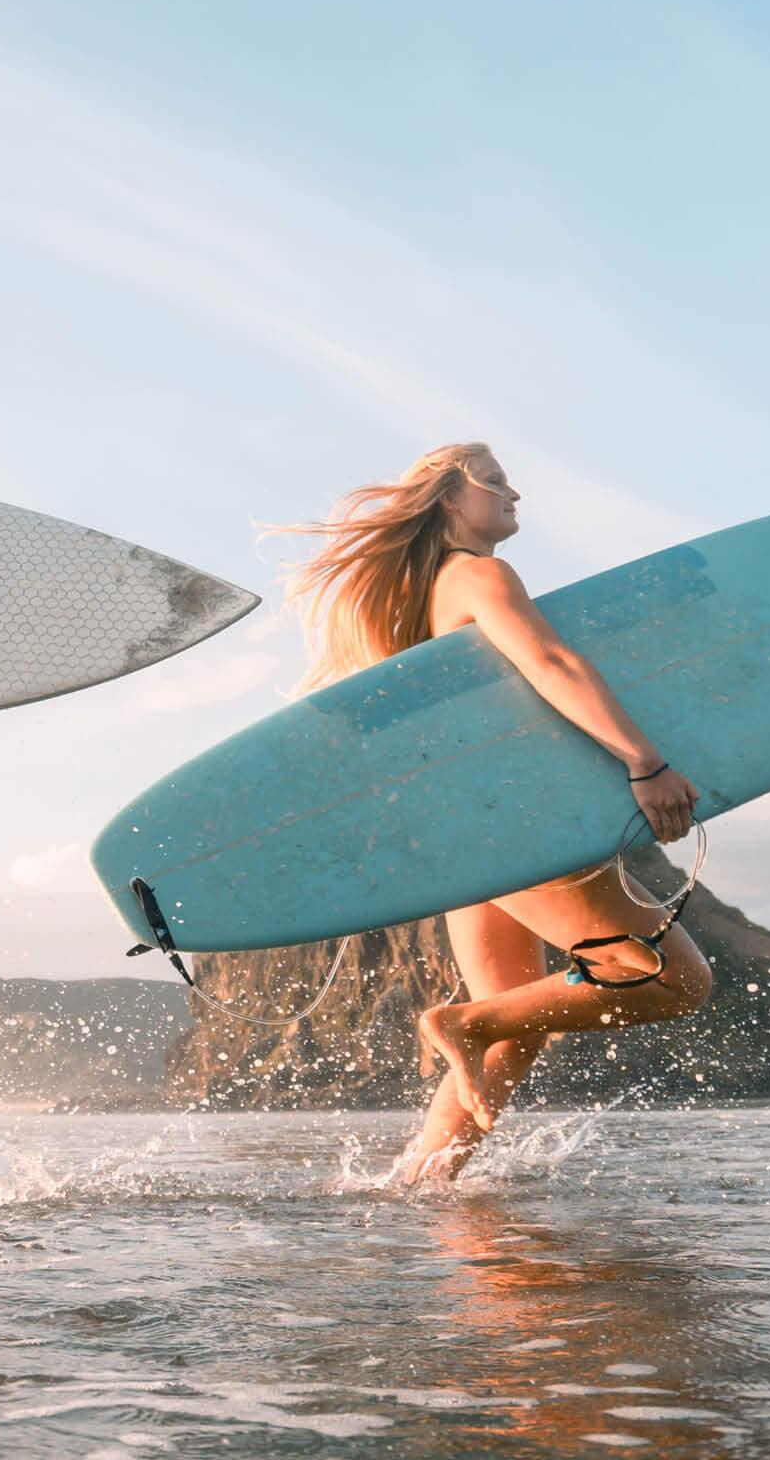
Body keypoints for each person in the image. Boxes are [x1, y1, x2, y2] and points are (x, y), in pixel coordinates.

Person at [283, 443, 713, 1181]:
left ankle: (422, 1181)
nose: (514, 494)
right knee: (670, 979)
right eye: (494, 482)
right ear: (451, 499)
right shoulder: (478, 574)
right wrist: (646, 762)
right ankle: (457, 1023)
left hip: (463, 831)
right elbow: (551, 665)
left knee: (516, 1027)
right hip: (519, 823)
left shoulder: (413, 601)